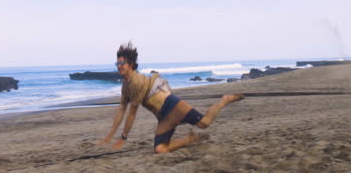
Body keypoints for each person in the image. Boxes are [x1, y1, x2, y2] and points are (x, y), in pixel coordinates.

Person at [100, 42, 244, 153]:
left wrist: (123, 137)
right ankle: (189, 139)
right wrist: (110, 135)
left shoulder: (136, 81)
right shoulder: (125, 86)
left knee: (204, 123)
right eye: (117, 63)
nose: (119, 66)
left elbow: (132, 114)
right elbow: (121, 110)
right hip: (163, 117)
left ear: (130, 64)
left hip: (172, 105)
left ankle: (224, 100)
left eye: (122, 63)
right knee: (160, 149)